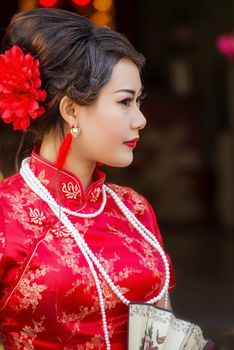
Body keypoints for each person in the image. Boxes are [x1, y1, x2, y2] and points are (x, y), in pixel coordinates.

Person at [0, 8, 175, 349]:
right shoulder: (6, 216)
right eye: (125, 101)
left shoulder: (134, 210)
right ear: (71, 110)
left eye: (139, 101)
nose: (140, 119)